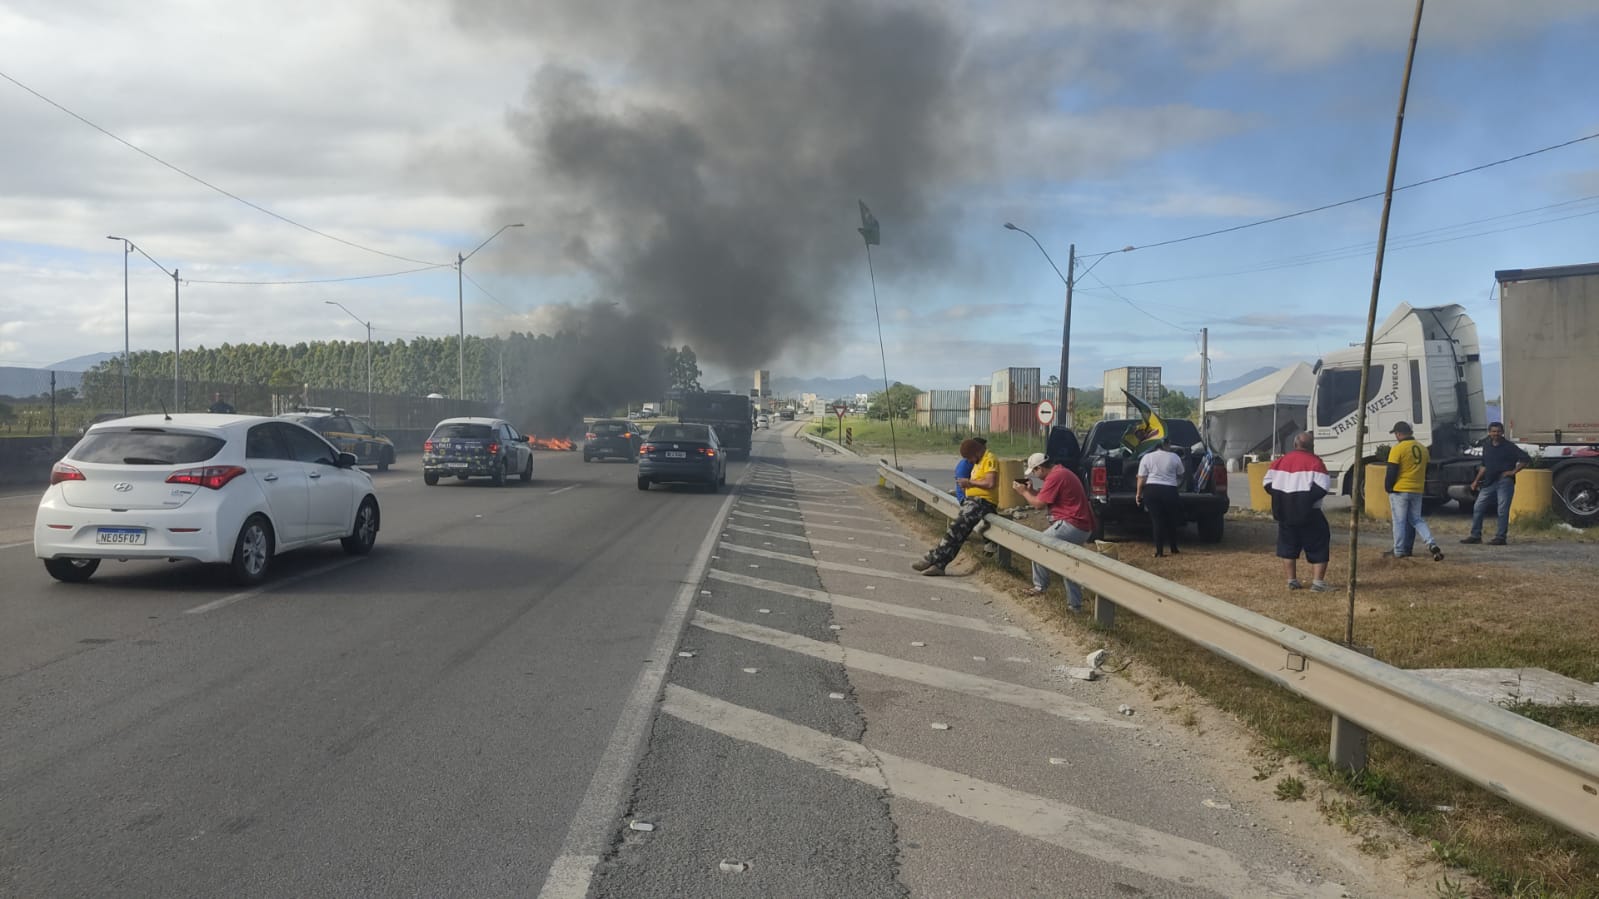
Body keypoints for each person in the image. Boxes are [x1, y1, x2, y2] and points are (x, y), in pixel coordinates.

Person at [1015, 452, 1095, 611]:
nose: (1036, 476)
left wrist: (1023, 493)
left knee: (1039, 544)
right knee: (1068, 563)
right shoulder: (1060, 473)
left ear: (1040, 468)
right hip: (1081, 525)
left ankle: (1040, 587)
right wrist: (1031, 491)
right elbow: (1045, 499)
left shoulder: (1055, 477)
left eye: (1034, 472)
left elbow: (1038, 504)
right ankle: (1075, 605)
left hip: (1072, 524)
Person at [912, 437, 997, 577]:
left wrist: (970, 483)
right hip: (972, 502)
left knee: (955, 528)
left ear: (976, 451)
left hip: (982, 502)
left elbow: (990, 483)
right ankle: (940, 565)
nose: (969, 461)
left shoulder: (989, 459)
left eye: (970, 458)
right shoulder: (978, 461)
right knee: (958, 534)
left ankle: (931, 557)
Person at [1262, 432, 1333, 592]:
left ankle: (1291, 581)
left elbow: (1266, 483)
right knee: (1319, 544)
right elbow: (1323, 486)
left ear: (1295, 445)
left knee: (1288, 546)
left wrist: (1283, 497)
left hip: (1285, 512)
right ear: (1312, 446)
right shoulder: (1316, 462)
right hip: (1310, 513)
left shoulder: (1279, 462)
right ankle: (1318, 583)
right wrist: (1304, 500)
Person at [1462, 421, 1532, 546]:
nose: (1496, 434)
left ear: (1502, 432)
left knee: (1502, 510)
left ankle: (1500, 537)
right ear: (1489, 433)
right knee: (1478, 507)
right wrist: (1476, 481)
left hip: (1504, 482)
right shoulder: (1487, 446)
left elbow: (1526, 459)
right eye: (1493, 431)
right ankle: (1475, 535)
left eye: (1498, 431)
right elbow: (1484, 466)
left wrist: (1513, 472)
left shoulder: (1509, 446)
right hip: (1489, 481)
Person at [1384, 421, 1443, 561]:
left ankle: (1398, 550)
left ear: (1399, 433)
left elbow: (1392, 470)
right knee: (1416, 519)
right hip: (1417, 489)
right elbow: (1427, 469)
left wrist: (1388, 487)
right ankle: (1431, 543)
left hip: (1400, 489)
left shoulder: (1398, 449)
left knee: (1399, 521)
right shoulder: (1423, 449)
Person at [1134, 439, 1184, 557]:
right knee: (1171, 519)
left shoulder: (1147, 457)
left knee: (1157, 520)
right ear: (1166, 445)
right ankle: (1173, 548)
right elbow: (1181, 472)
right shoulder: (1174, 457)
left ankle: (1159, 551)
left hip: (1152, 490)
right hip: (1170, 490)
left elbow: (1141, 478)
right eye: (1169, 444)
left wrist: (1138, 494)